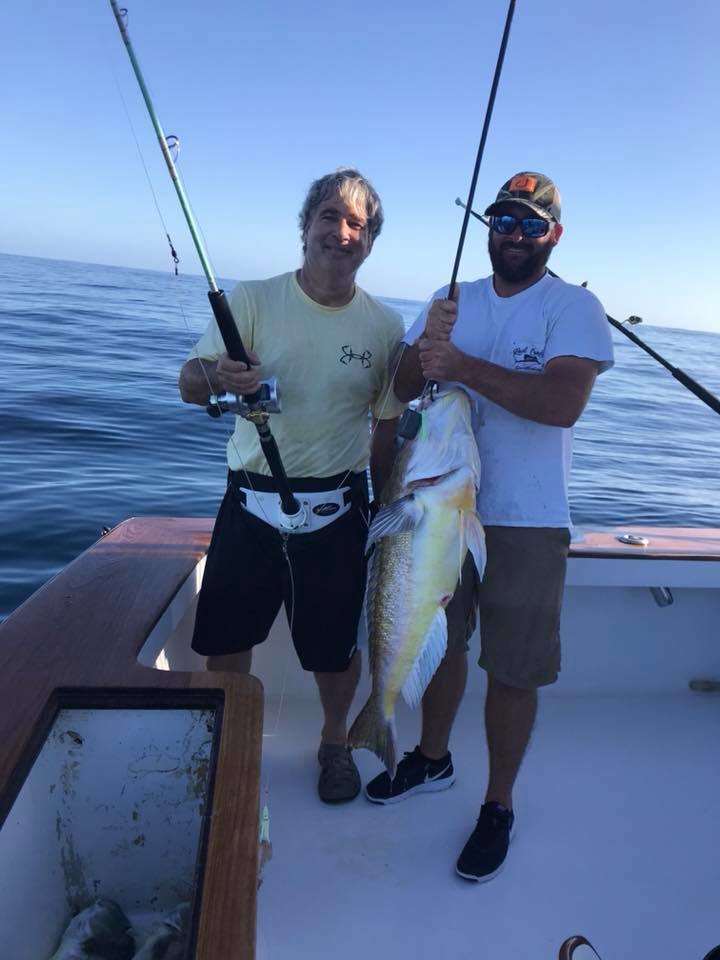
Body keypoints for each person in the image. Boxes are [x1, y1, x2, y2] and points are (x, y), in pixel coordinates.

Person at [365, 172, 615, 881]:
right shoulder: (452, 301)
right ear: (488, 227)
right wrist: (422, 350)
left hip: (527, 519)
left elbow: (564, 401)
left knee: (513, 668)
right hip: (436, 506)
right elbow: (405, 387)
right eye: (504, 220)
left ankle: (498, 803)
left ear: (554, 237)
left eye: (532, 225)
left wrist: (466, 365)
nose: (515, 234)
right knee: (439, 641)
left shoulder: (574, 307)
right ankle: (431, 757)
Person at [179, 168, 405, 804]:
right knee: (226, 640)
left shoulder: (385, 328)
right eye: (329, 216)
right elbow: (189, 383)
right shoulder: (252, 300)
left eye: (357, 223)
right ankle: (233, 743)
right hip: (249, 504)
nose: (341, 231)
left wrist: (386, 511)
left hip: (339, 510)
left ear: (370, 241)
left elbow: (386, 428)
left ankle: (335, 742)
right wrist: (218, 375)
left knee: (335, 651)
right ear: (305, 228)